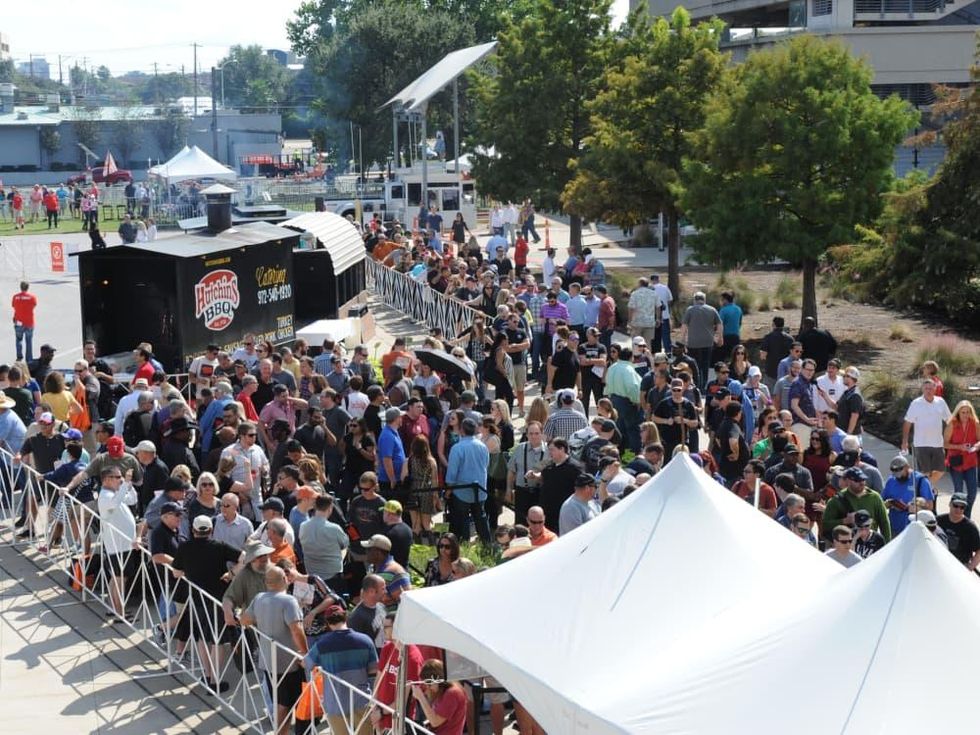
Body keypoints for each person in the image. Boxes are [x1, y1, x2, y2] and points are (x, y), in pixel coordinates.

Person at [239, 566, 308, 735]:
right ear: (284, 580)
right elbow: (296, 629)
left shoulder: (259, 598)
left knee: (280, 701)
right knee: (288, 703)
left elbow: (245, 620)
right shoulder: (288, 601)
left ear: (266, 582)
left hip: (267, 661)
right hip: (289, 663)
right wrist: (306, 652)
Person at [304, 602, 378, 735]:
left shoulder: (323, 644)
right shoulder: (365, 640)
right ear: (346, 617)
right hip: (361, 699)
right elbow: (373, 671)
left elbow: (307, 664)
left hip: (335, 702)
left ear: (327, 623)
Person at [97, 467, 139, 622]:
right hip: (118, 545)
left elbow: (131, 499)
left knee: (118, 578)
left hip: (123, 545)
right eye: (117, 477)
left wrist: (129, 485)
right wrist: (125, 483)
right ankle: (119, 612)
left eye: (121, 477)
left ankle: (113, 608)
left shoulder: (114, 494)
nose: (120, 480)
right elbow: (115, 504)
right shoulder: (105, 496)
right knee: (120, 579)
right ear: (107, 479)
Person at [445, 418, 491, 544]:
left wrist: (448, 490)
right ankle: (487, 544)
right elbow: (486, 465)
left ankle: (464, 545)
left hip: (461, 491)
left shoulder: (457, 448)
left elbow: (452, 473)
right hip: (480, 489)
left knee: (462, 519)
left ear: (461, 430)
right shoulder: (482, 446)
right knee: (481, 517)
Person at [902, 379, 952, 488]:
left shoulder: (941, 402)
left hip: (938, 444)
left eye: (930, 388)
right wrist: (904, 442)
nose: (928, 391)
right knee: (924, 472)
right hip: (921, 444)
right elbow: (907, 422)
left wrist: (951, 436)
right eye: (926, 388)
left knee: (941, 470)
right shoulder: (916, 403)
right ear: (922, 389)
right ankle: (925, 492)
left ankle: (924, 487)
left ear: (935, 389)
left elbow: (949, 420)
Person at [821, 466, 891, 542]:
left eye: (863, 479)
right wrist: (845, 521)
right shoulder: (837, 499)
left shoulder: (875, 497)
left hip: (871, 545)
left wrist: (886, 545)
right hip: (847, 545)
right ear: (848, 481)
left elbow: (884, 523)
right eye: (857, 480)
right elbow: (825, 525)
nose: (862, 483)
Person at [881, 454, 934, 536]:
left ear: (907, 467)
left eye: (900, 473)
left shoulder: (920, 481)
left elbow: (930, 506)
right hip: (894, 528)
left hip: (914, 529)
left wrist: (915, 507)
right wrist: (890, 504)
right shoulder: (891, 480)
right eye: (895, 474)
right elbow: (882, 501)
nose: (898, 477)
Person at [944, 400, 980, 517]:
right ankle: (956, 514)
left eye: (967, 412)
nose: (965, 415)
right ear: (958, 412)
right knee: (959, 492)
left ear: (971, 412)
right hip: (956, 462)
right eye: (963, 412)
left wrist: (975, 447)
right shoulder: (952, 424)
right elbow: (945, 444)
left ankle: (966, 515)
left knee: (973, 492)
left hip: (971, 461)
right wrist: (960, 447)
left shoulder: (975, 423)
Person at [680, 291, 721, 392]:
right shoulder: (712, 310)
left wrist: (682, 340)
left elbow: (684, 326)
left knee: (695, 365)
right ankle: (703, 385)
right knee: (705, 365)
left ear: (695, 300)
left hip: (693, 343)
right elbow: (720, 324)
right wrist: (719, 338)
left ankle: (696, 386)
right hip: (708, 342)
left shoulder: (690, 310)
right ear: (704, 299)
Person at [937, 493, 980, 570]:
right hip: (939, 563)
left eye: (962, 507)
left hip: (959, 567)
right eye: (955, 506)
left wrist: (970, 567)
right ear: (950, 504)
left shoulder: (970, 527)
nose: (958, 509)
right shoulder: (938, 521)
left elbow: (979, 550)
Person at [348, 574, 387, 650]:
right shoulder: (356, 617)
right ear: (371, 591)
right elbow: (357, 645)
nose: (385, 591)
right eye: (383, 589)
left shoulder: (381, 607)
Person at [759, 316, 794, 386]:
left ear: (773, 324)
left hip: (771, 371)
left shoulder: (768, 337)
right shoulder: (790, 339)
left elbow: (763, 356)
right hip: (786, 372)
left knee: (770, 395)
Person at [11, 281, 37, 363]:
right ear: (27, 287)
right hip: (29, 322)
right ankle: (29, 359)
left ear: (20, 287)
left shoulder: (15, 297)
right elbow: (34, 305)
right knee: (29, 341)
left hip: (18, 321)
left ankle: (19, 357)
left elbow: (13, 306)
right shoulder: (32, 297)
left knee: (19, 339)